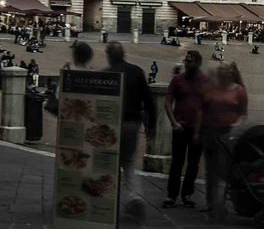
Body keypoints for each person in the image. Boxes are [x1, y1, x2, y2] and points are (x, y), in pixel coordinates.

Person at [106, 44, 154, 219]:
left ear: (109, 56)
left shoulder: (106, 73)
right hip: (132, 124)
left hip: (111, 125)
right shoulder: (136, 71)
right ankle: (134, 196)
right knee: (129, 162)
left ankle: (105, 199)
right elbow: (149, 100)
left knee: (108, 161)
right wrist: (152, 125)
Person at [164, 50, 210, 210]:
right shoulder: (177, 80)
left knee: (193, 164)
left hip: (198, 129)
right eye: (185, 60)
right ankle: (171, 195)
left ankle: (187, 195)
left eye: (189, 61)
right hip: (180, 128)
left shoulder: (206, 81)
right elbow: (168, 102)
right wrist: (173, 122)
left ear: (197, 63)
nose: (186, 63)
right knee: (176, 162)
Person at [202, 62, 249, 218]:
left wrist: (238, 124)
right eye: (221, 69)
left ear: (233, 72)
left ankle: (219, 203)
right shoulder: (212, 87)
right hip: (210, 132)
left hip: (228, 135)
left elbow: (243, 113)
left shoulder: (240, 90)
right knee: (210, 170)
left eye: (227, 70)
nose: (224, 72)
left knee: (223, 170)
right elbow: (203, 106)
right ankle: (210, 201)